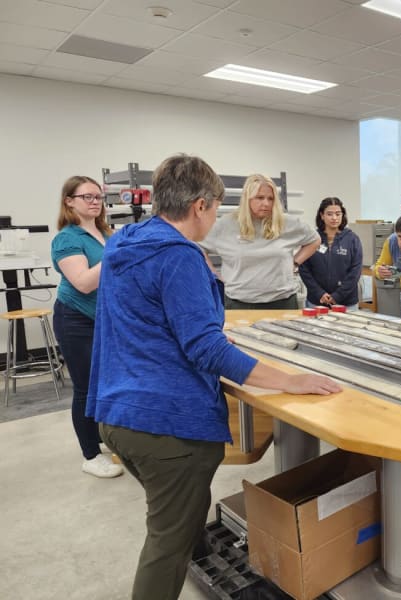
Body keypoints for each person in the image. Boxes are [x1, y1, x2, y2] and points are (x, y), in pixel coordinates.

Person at [86, 154, 341, 600]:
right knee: (167, 543)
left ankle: (201, 552)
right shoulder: (180, 256)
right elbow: (205, 347)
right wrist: (289, 379)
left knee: (182, 511)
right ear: (201, 206)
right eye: (216, 209)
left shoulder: (126, 242)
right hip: (166, 424)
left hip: (115, 413)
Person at [50, 176, 123, 479]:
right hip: (76, 319)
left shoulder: (106, 233)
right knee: (85, 387)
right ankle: (90, 455)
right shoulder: (67, 238)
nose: (95, 202)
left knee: (106, 384)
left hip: (105, 319)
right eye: (87, 197)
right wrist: (117, 252)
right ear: (69, 201)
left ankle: (99, 438)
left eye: (98, 197)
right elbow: (82, 283)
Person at [199, 173, 320, 309]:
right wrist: (214, 275)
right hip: (239, 303)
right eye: (260, 198)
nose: (266, 203)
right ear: (247, 198)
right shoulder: (226, 225)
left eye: (271, 198)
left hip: (283, 301)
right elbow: (198, 247)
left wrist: (295, 262)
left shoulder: (287, 222)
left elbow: (315, 240)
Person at [299, 197, 363, 310]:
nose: (334, 218)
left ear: (343, 215)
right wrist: (319, 293)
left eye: (338, 214)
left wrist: (337, 296)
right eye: (329, 214)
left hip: (347, 303)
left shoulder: (352, 239)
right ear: (322, 215)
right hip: (316, 302)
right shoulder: (311, 239)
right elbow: (304, 269)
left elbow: (355, 272)